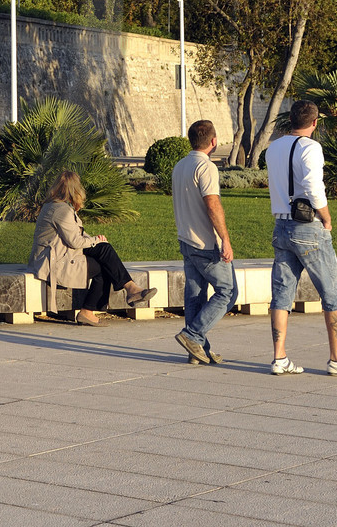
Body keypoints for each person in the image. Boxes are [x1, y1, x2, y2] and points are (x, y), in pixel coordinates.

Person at [265, 99, 337, 377]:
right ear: (314, 122)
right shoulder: (311, 147)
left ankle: (280, 358)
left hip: (281, 225)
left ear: (290, 120)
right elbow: (313, 185)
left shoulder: (273, 148)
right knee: (333, 293)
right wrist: (326, 216)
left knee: (282, 294)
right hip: (307, 226)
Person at [31, 171, 157, 325]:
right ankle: (125, 291)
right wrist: (95, 241)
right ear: (76, 189)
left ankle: (128, 291)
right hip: (54, 262)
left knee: (104, 252)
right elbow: (75, 242)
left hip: (58, 255)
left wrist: (95, 241)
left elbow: (76, 235)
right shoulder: (61, 211)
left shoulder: (55, 205)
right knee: (104, 263)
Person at [170, 120, 237, 365]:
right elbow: (212, 204)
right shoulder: (206, 167)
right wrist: (225, 240)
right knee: (227, 292)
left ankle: (197, 351)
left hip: (185, 239)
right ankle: (192, 335)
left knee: (195, 295)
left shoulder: (180, 166)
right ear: (213, 141)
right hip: (205, 243)